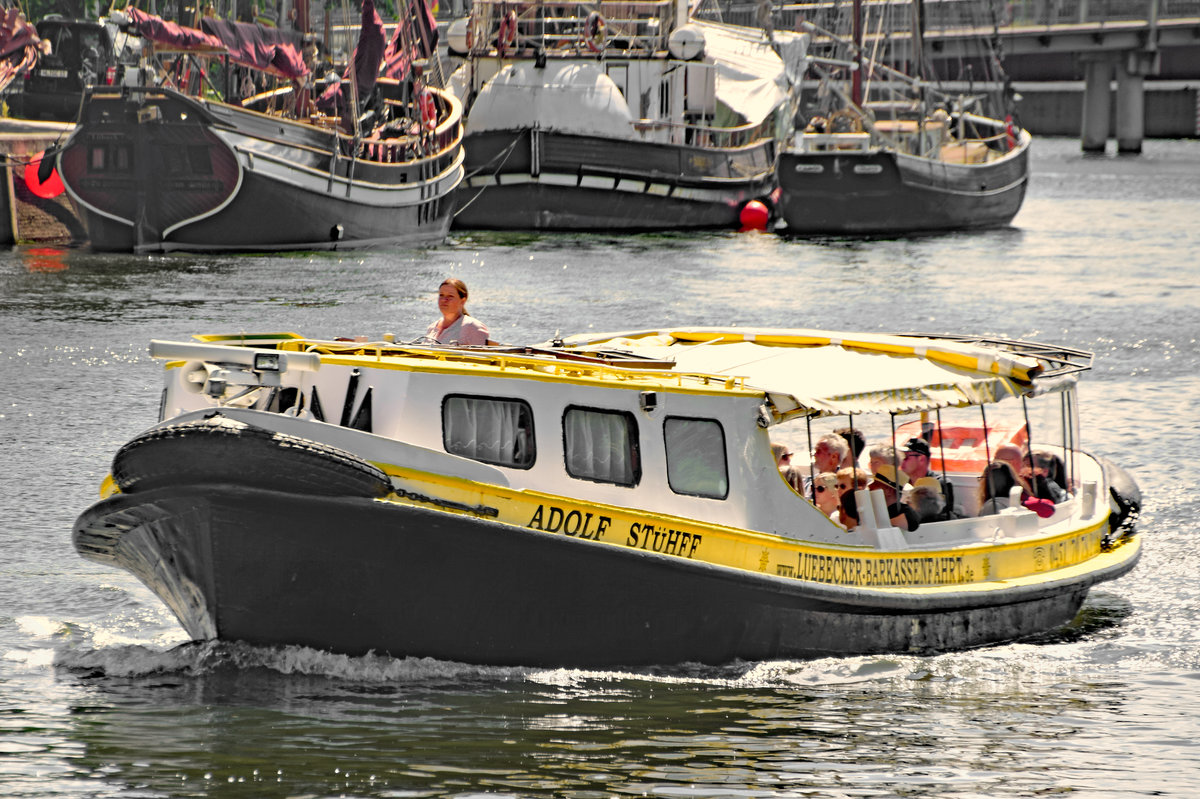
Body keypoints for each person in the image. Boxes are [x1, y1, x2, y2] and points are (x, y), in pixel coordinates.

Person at [900, 437, 959, 518]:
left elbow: (942, 518)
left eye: (906, 457)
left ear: (921, 458)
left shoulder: (941, 484)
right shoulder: (900, 484)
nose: (902, 461)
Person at [426, 278, 491, 345]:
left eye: (450, 296)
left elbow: (483, 354)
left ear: (463, 301)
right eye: (441, 295)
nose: (444, 300)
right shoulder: (432, 328)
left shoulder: (472, 327)